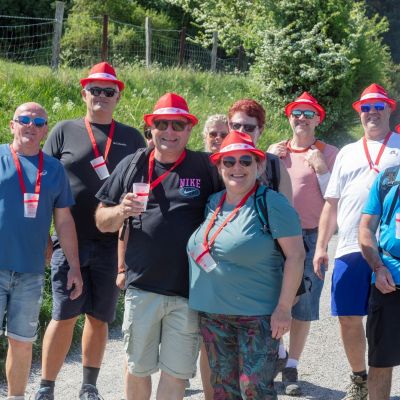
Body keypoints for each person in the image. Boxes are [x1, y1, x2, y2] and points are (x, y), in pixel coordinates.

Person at [95, 92, 220, 400]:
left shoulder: (204, 167)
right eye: (162, 124)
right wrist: (121, 211)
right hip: (142, 288)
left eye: (177, 125)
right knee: (137, 369)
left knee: (176, 374)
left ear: (189, 129)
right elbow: (101, 220)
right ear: (151, 128)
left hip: (188, 291)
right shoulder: (133, 164)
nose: (169, 131)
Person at [35, 62, 145, 400]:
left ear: (118, 97)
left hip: (112, 243)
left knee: (99, 318)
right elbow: (42, 184)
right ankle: (46, 387)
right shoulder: (64, 131)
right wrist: (43, 237)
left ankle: (89, 387)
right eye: (94, 89)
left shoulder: (132, 137)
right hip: (70, 241)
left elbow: (142, 190)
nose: (101, 95)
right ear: (84, 94)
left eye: (108, 91)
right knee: (64, 315)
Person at [188, 131, 305, 399]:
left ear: (259, 166)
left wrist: (284, 308)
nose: (237, 168)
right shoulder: (213, 202)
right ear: (219, 167)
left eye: (245, 161)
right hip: (214, 314)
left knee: (254, 388)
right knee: (223, 389)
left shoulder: (271, 202)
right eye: (229, 162)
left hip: (258, 316)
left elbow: (296, 256)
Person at [313, 83, 400, 400]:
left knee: (387, 320)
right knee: (348, 316)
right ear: (359, 113)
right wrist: (321, 246)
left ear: (390, 109)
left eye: (378, 106)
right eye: (366, 107)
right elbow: (331, 203)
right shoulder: (347, 152)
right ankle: (360, 378)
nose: (372, 112)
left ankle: (381, 378)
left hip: (389, 252)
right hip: (350, 244)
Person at [0, 102, 81, 400]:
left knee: (22, 343)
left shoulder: (54, 169)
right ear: (12, 125)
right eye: (24, 119)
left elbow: (64, 221)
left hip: (31, 272)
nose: (30, 126)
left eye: (38, 122)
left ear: (45, 130)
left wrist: (74, 267)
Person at [267, 92, 338, 395]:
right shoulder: (276, 152)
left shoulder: (329, 153)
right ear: (289, 117)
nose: (302, 119)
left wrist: (322, 169)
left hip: (311, 235)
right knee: (275, 299)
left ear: (318, 119)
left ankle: (292, 365)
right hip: (276, 236)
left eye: (309, 114)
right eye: (297, 113)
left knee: (304, 305)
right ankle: (279, 354)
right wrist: (268, 158)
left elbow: (336, 198)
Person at [359, 167, 400, 400]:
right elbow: (366, 227)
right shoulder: (388, 180)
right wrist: (378, 266)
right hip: (389, 284)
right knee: (381, 362)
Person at [227, 99, 293, 201]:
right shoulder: (218, 162)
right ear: (229, 126)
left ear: (260, 130)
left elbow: (287, 208)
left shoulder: (274, 165)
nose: (241, 131)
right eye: (236, 126)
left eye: (249, 128)